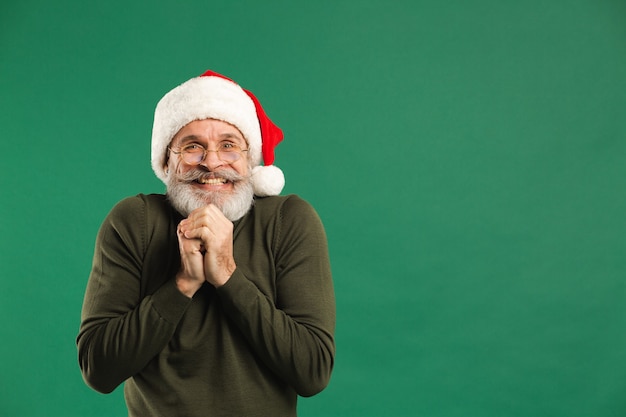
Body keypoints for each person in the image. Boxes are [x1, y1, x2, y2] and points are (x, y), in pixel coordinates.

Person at [76, 69, 336, 417]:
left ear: (249, 159)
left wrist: (228, 276)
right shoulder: (134, 221)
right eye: (193, 146)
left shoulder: (289, 221)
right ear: (167, 162)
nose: (212, 162)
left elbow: (313, 373)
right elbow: (98, 370)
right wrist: (183, 285)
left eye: (229, 145)